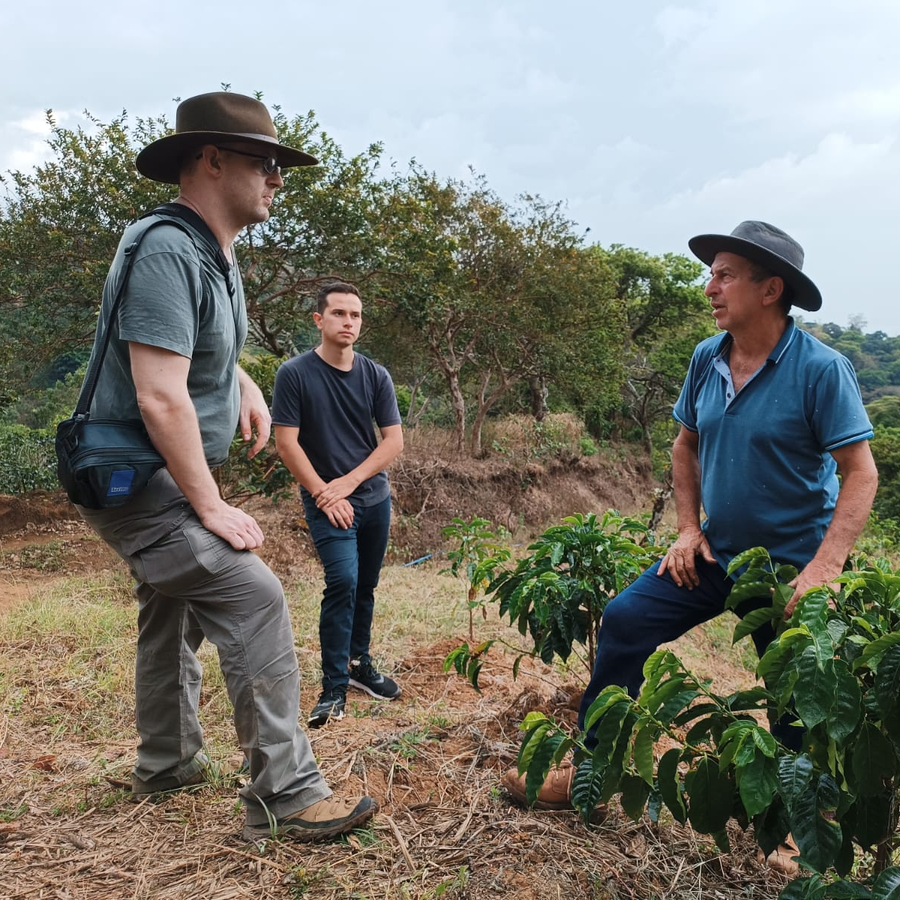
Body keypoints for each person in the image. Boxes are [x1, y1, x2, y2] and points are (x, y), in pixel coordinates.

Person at [502, 221, 878, 829]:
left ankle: (797, 823)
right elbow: (685, 446)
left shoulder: (821, 370)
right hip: (715, 552)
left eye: (725, 275)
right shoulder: (708, 357)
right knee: (625, 620)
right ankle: (592, 775)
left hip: (789, 568)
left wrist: (825, 568)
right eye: (713, 274)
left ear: (770, 289)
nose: (710, 288)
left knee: (790, 694)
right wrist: (686, 528)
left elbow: (860, 474)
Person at [75, 91, 377, 842]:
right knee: (252, 596)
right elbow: (157, 392)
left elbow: (192, 345)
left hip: (161, 475)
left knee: (169, 613)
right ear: (211, 160)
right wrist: (209, 505)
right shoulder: (170, 247)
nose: (278, 179)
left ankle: (167, 763)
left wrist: (238, 377)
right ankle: (287, 794)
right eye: (266, 163)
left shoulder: (213, 251)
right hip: (140, 483)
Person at [272, 282, 404, 728]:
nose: (349, 322)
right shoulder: (295, 373)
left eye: (356, 315)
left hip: (371, 497)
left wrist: (347, 483)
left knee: (366, 584)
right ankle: (332, 688)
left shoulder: (375, 375)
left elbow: (394, 441)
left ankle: (359, 665)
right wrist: (324, 493)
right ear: (319, 320)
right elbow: (286, 444)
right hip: (325, 501)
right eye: (340, 314)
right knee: (343, 583)